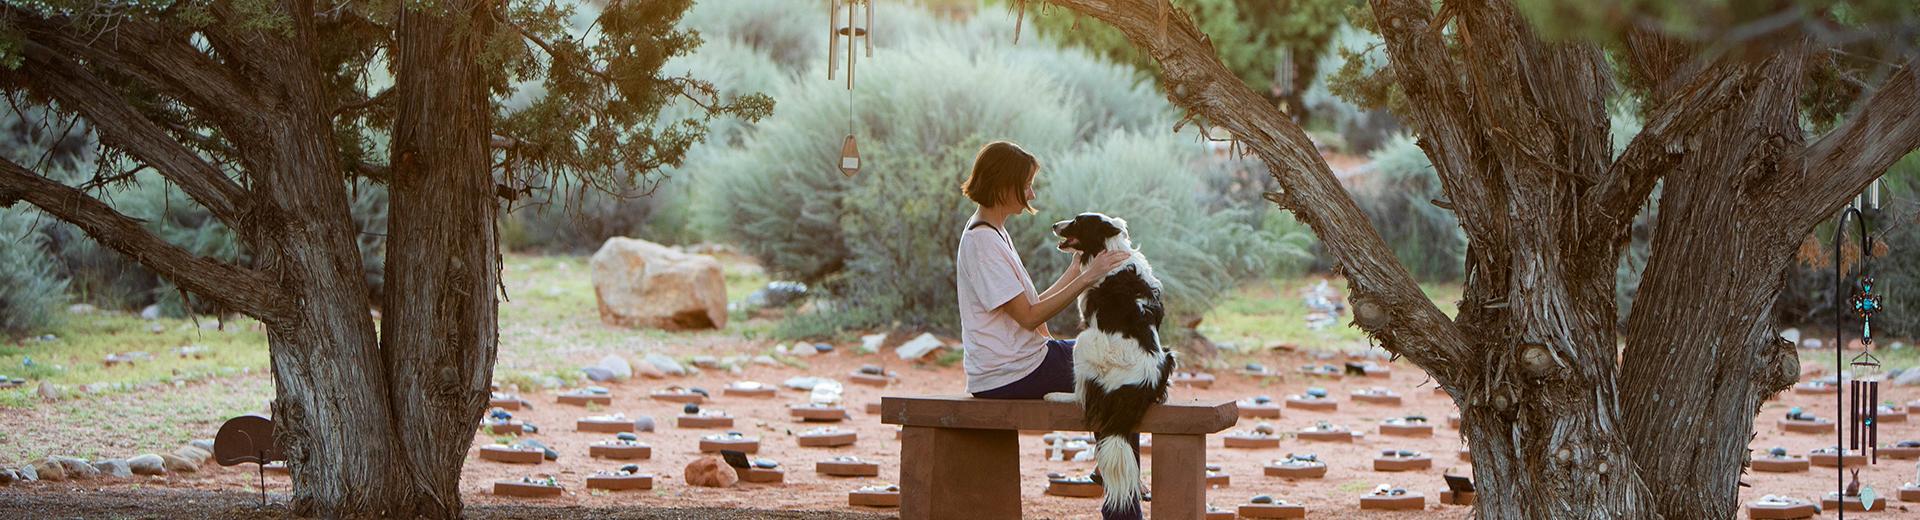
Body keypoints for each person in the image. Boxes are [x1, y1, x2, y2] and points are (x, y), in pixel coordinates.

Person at [956, 140, 1128, 400]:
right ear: (1003, 186)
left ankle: (1113, 441)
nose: (1031, 194)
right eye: (1026, 185)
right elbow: (1029, 317)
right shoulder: (982, 242)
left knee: (1120, 355)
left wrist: (1077, 269)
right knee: (1123, 368)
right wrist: (1089, 277)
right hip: (1011, 373)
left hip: (1021, 364)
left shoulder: (994, 231)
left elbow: (1031, 306)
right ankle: (1118, 442)